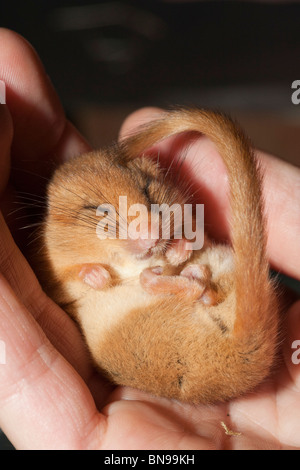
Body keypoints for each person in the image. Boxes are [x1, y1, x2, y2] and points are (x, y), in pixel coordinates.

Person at [0, 28, 300, 450]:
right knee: (123, 345)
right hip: (195, 334)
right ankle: (186, 287)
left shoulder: (170, 214)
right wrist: (94, 274)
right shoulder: (60, 246)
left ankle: (187, 286)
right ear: (67, 219)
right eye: (103, 213)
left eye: (144, 196)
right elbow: (63, 289)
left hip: (213, 320)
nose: (144, 227)